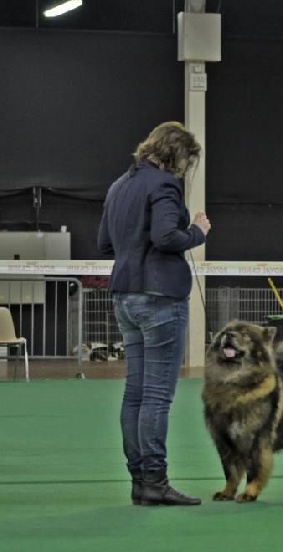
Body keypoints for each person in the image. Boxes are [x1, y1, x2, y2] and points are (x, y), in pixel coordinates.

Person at [97, 121, 211, 506]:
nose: (184, 170)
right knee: (158, 397)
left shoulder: (118, 186)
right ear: (174, 155)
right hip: (160, 298)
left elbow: (104, 244)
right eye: (185, 161)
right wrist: (197, 231)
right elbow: (167, 237)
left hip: (125, 296)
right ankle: (156, 482)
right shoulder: (163, 184)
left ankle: (139, 482)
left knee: (135, 393)